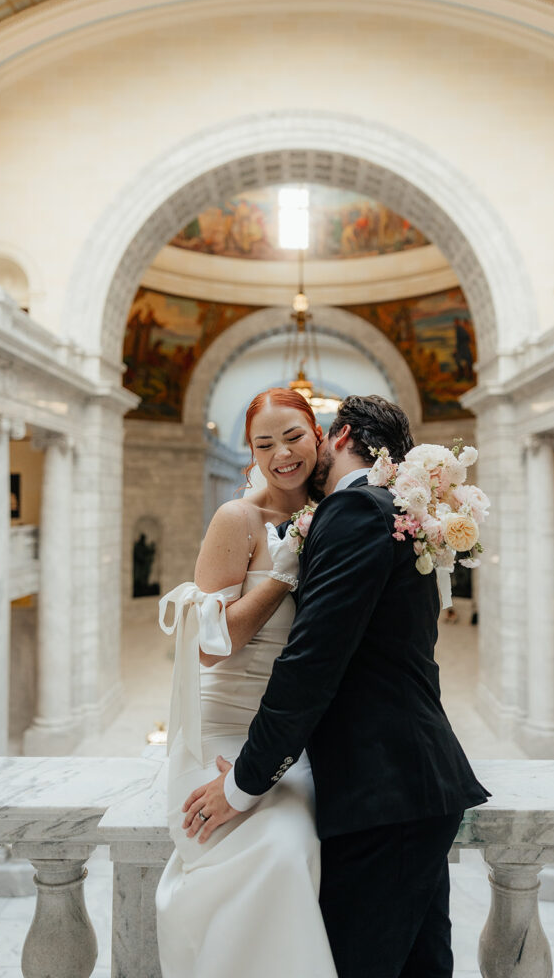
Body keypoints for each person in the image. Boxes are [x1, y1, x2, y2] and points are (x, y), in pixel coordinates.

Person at [184, 395, 491, 978]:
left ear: (336, 435)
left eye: (305, 437)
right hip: (412, 786)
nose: (294, 454)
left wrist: (245, 783)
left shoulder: (354, 513)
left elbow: (310, 665)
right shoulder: (392, 513)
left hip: (386, 791)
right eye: (264, 445)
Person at [155, 388, 337, 978]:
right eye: (265, 444)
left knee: (304, 844)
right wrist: (283, 576)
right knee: (279, 855)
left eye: (293, 437)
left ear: (317, 434)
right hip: (225, 730)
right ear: (251, 453)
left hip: (290, 735)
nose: (282, 454)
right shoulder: (238, 519)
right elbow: (212, 648)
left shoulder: (339, 510)